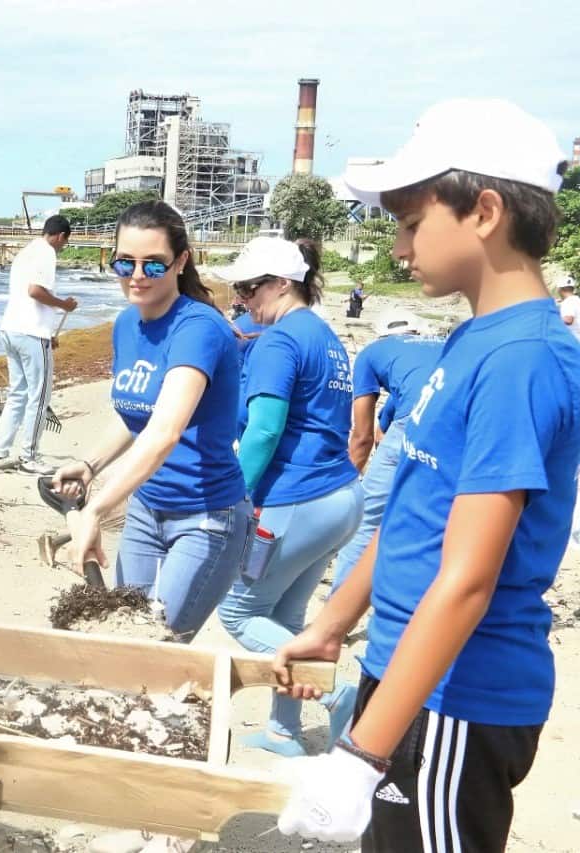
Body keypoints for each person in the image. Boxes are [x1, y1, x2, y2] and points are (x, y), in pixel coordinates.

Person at [273, 99, 579, 850]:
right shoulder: (474, 338)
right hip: (408, 672)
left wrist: (359, 753)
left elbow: (469, 578)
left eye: (411, 224)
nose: (401, 247)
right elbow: (412, 508)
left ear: (484, 211)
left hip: (458, 698)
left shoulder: (522, 361)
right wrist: (331, 624)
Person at [52, 201, 250, 640]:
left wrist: (96, 511)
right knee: (124, 635)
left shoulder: (198, 328)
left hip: (206, 515)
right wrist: (89, 466)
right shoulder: (127, 324)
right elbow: (138, 416)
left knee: (157, 645)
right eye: (126, 262)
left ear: (181, 261)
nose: (137, 275)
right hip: (146, 510)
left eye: (153, 265)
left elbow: (165, 432)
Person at [214, 236, 364, 757]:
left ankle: (340, 693)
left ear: (281, 284)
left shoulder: (279, 341)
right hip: (340, 498)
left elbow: (263, 430)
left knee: (236, 613)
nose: (242, 300)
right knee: (285, 619)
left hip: (295, 500)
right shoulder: (321, 335)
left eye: (249, 288)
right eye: (237, 290)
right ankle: (284, 731)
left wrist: (231, 496)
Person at [329, 309, 443, 590]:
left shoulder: (372, 352)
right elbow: (395, 415)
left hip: (416, 425)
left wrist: (348, 483)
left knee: (366, 520)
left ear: (381, 335)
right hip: (467, 420)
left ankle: (339, 607)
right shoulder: (441, 344)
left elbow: (364, 436)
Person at [0, 215, 78, 473]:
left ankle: (1, 453)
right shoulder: (47, 253)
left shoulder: (27, 251)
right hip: (30, 333)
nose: (63, 246)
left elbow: (28, 296)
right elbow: (35, 291)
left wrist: (48, 330)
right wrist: (64, 305)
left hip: (11, 328)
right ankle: (28, 457)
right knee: (39, 397)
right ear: (61, 236)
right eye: (65, 242)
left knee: (17, 393)